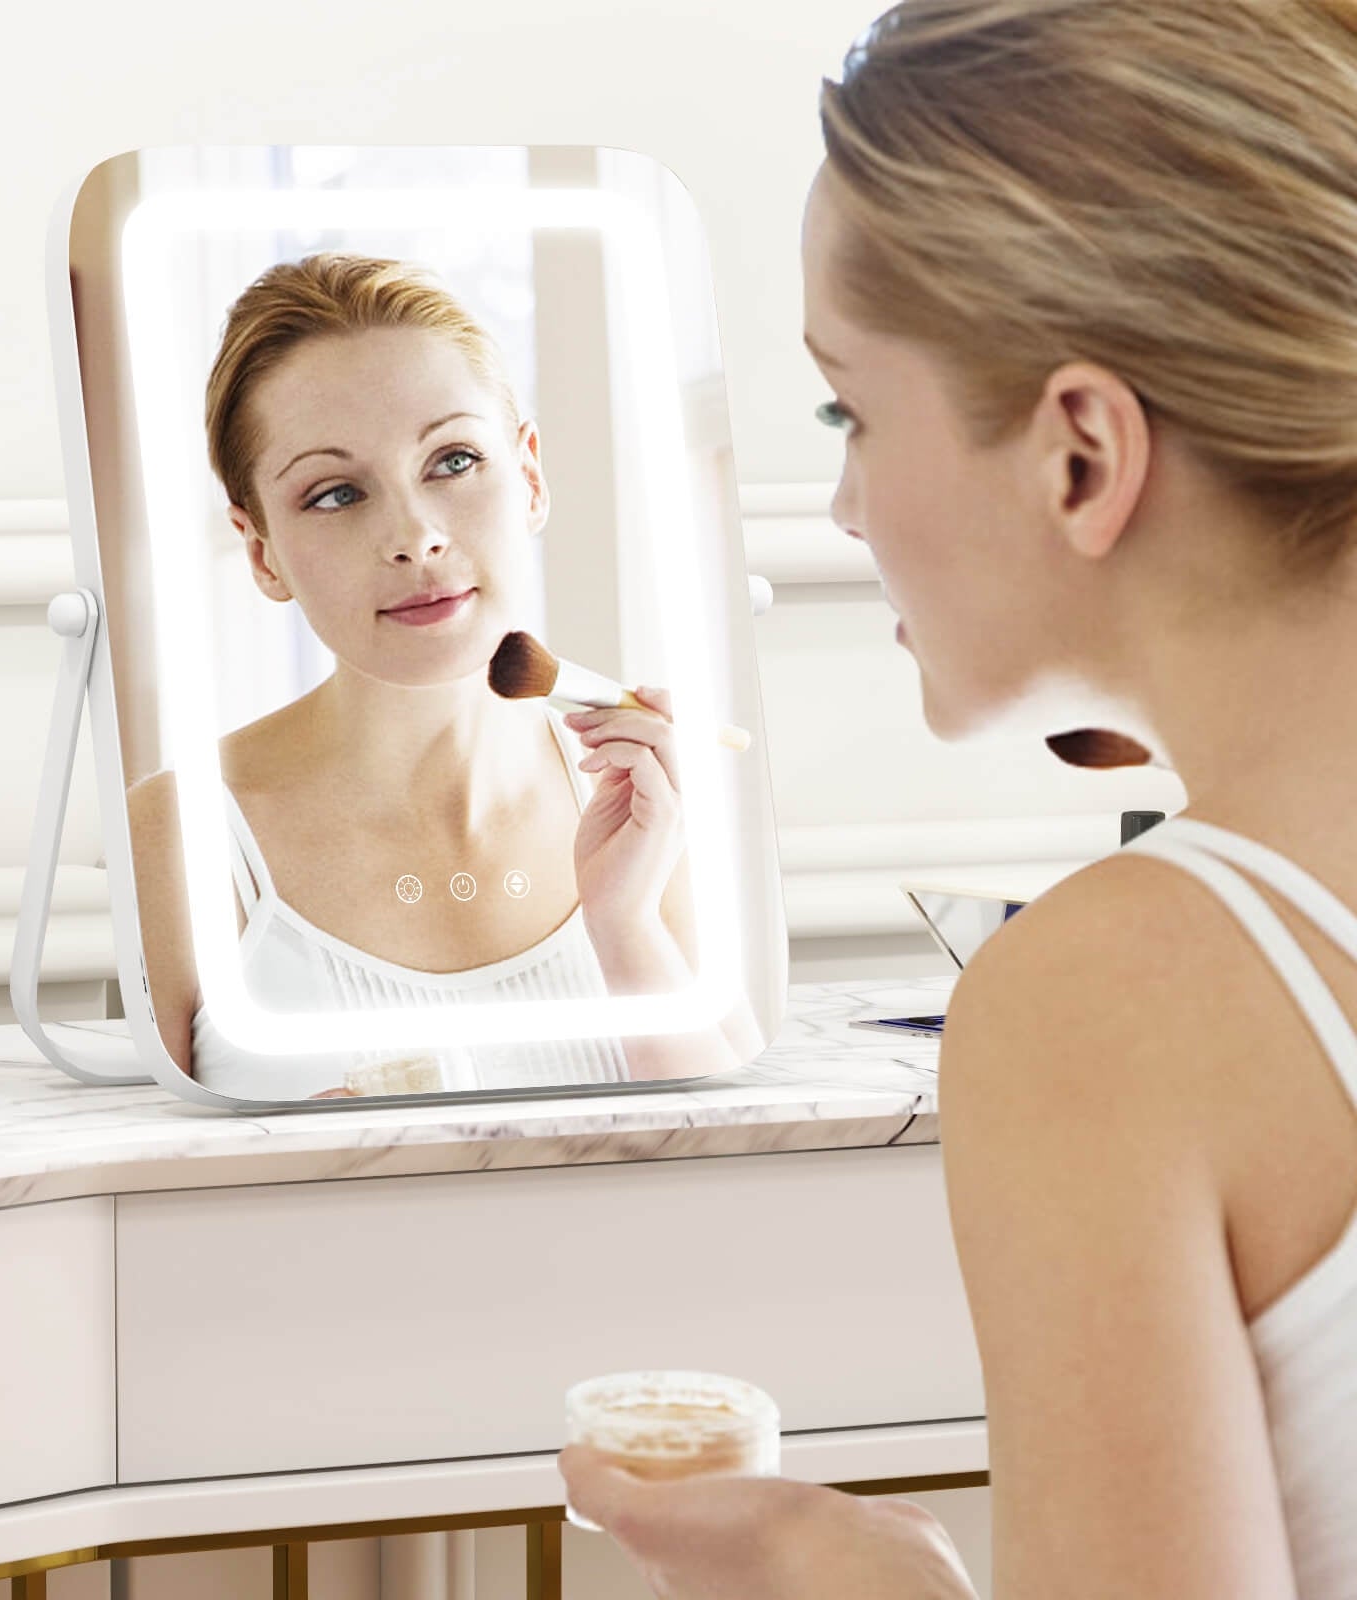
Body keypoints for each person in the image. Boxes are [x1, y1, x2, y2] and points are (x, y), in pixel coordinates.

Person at [562, 2, 1357, 1595]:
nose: (845, 505)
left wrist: (863, 1574)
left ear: (1079, 452)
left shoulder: (1113, 1004)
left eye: (850, 408)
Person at [126, 253, 763, 1096]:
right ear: (262, 552)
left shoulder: (647, 798)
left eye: (454, 460)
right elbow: (144, 1197)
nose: (416, 535)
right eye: (334, 494)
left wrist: (625, 921)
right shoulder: (184, 835)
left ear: (530, 476)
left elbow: (743, 1160)